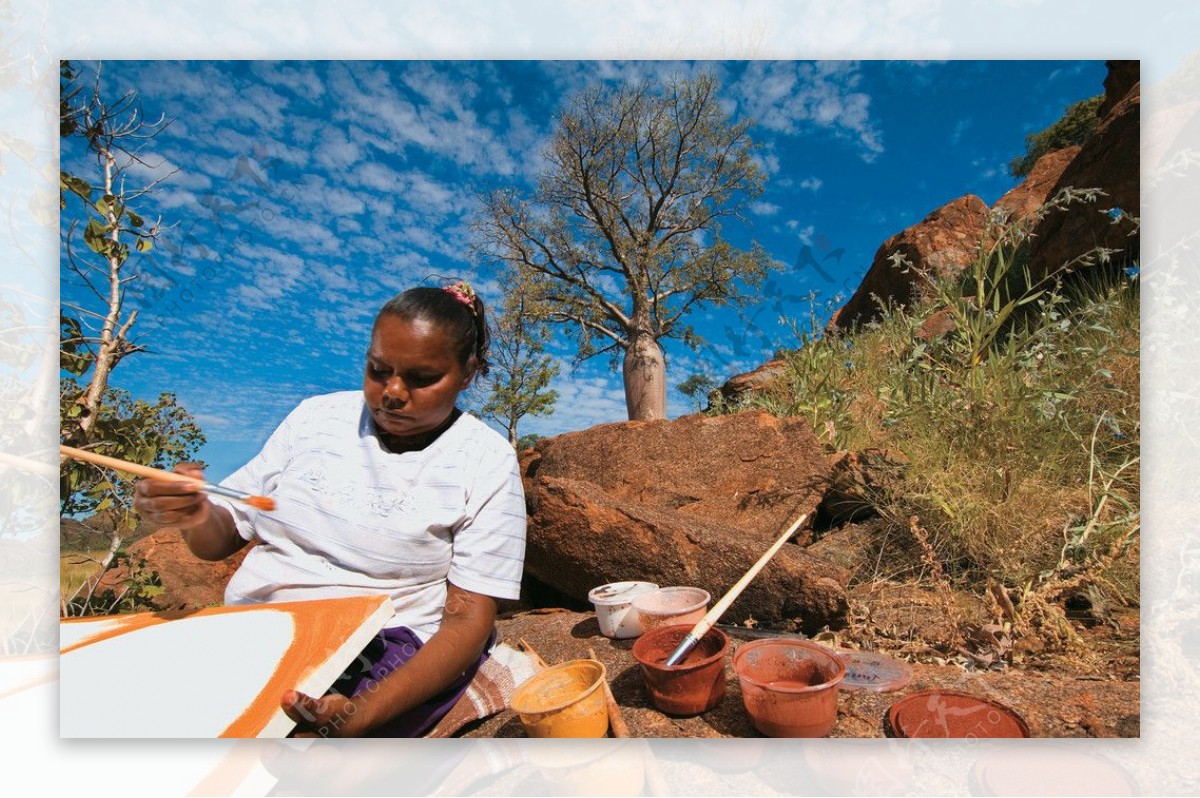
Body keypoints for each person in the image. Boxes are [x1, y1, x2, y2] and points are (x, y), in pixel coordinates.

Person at [133, 281, 527, 737]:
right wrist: (194, 513)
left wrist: (356, 715)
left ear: (468, 373)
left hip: (381, 644)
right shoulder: (314, 420)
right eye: (378, 369)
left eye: (421, 379)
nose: (393, 392)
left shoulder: (485, 459)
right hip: (260, 628)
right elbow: (220, 538)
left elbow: (466, 619)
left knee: (289, 749)